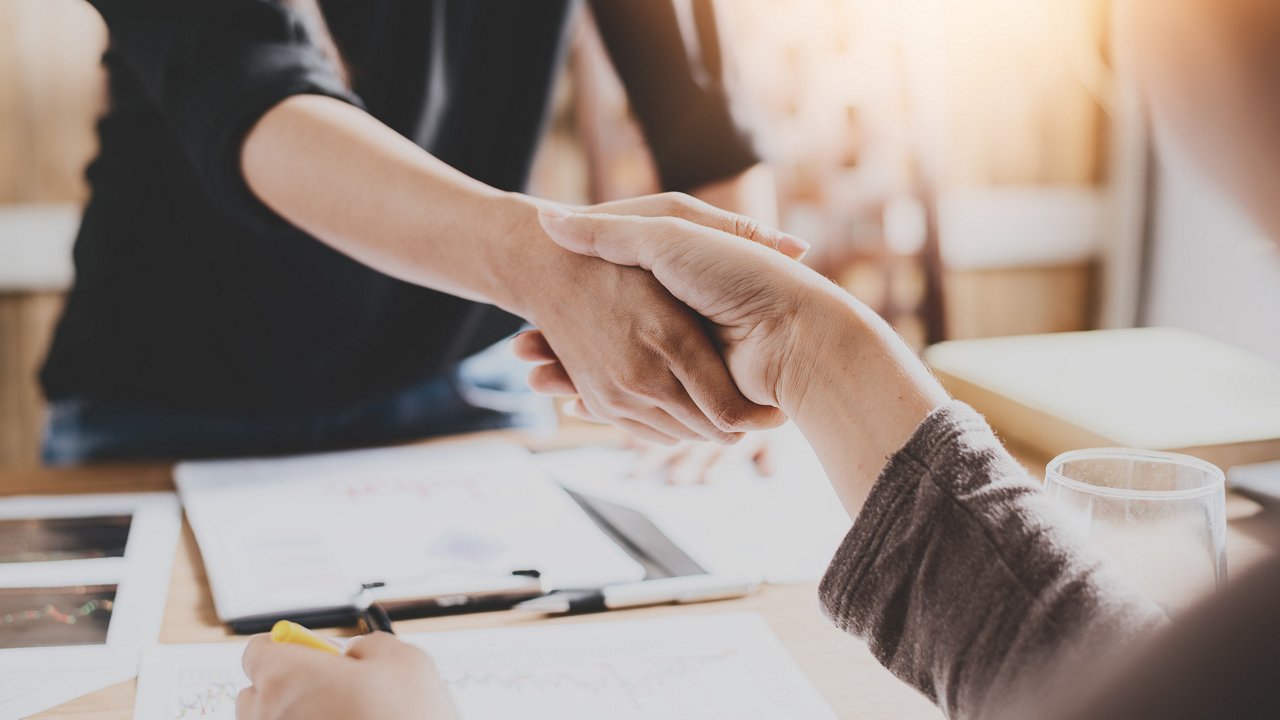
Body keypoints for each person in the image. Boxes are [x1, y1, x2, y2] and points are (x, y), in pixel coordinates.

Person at [238, 0, 1280, 718]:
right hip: (198, 386)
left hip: (472, 374)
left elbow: (697, 99)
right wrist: (797, 341)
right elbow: (250, 87)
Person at [42, 0, 798, 466]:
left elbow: (706, 131)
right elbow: (259, 98)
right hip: (170, 400)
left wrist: (737, 355)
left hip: (470, 379)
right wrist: (535, 262)